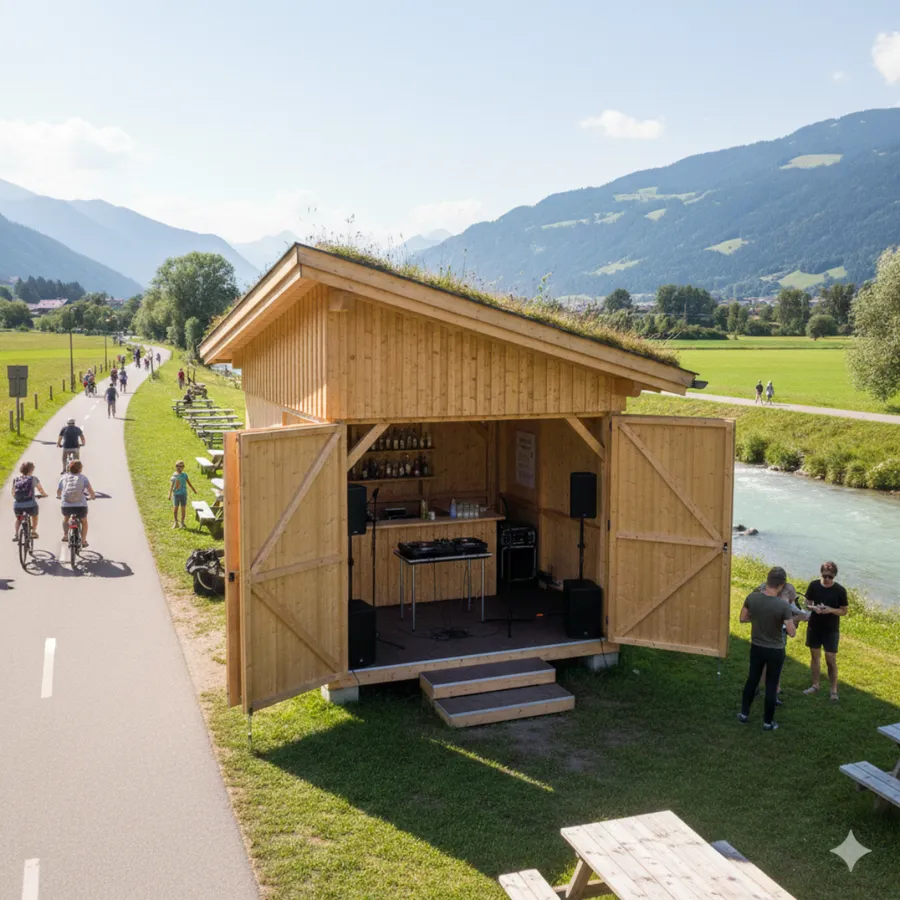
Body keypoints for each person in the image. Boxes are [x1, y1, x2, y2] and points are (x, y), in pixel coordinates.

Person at [738, 567, 797, 730]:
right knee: (771, 685)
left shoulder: (752, 598)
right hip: (775, 650)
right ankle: (767, 722)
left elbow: (743, 618)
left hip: (757, 647)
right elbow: (791, 633)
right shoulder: (783, 606)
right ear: (782, 585)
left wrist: (758, 619)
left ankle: (744, 715)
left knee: (752, 679)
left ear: (767, 580)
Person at [754, 568, 807, 704]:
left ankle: (774, 690)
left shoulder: (789, 589)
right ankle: (758, 687)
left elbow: (793, 608)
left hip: (781, 631)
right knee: (763, 662)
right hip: (765, 629)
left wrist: (805, 615)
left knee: (777, 664)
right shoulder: (762, 588)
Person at [803, 561, 849, 701]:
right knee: (815, 658)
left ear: (834, 576)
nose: (827, 579)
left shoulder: (840, 590)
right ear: (821, 573)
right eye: (825, 576)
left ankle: (833, 690)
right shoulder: (814, 585)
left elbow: (844, 611)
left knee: (831, 659)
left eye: (830, 577)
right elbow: (807, 602)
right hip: (814, 627)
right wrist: (814, 608)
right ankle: (815, 685)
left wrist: (830, 610)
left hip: (831, 629)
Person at [57, 459, 95, 547]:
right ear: (80, 469)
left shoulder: (63, 477)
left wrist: (59, 496)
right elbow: (90, 491)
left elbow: (59, 491)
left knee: (66, 518)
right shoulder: (83, 478)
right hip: (80, 507)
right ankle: (84, 541)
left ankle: (66, 535)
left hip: (66, 506)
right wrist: (92, 497)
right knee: (84, 521)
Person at [12, 461, 48, 541]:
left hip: (18, 505)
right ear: (31, 470)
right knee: (34, 516)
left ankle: (16, 534)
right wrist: (44, 495)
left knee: (19, 519)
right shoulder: (33, 479)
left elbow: (13, 493)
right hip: (30, 505)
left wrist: (18, 498)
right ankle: (33, 532)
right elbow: (40, 489)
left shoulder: (16, 479)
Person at [167, 460, 198, 528]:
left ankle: (182, 522)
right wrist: (169, 495)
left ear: (183, 467)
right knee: (175, 509)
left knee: (183, 509)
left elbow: (189, 483)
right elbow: (171, 486)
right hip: (176, 495)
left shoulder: (184, 475)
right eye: (177, 466)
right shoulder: (174, 476)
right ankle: (176, 522)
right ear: (175, 467)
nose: (179, 468)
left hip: (183, 494)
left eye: (181, 466)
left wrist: (194, 490)